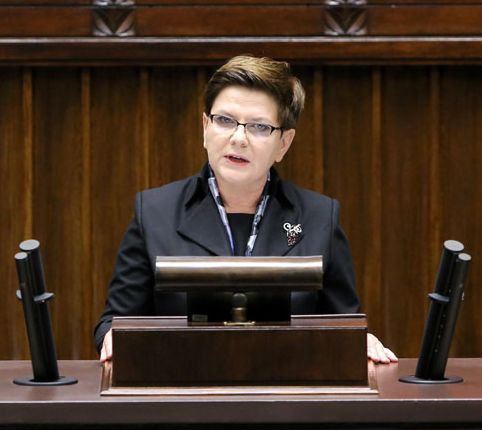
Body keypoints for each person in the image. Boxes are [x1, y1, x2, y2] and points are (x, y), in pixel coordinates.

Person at [94, 55, 398, 365]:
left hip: (286, 398)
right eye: (225, 120)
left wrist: (361, 338)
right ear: (205, 127)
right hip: (183, 393)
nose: (238, 139)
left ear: (284, 143)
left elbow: (343, 324)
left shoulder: (319, 217)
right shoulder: (154, 212)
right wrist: (111, 337)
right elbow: (114, 323)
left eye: (259, 127)